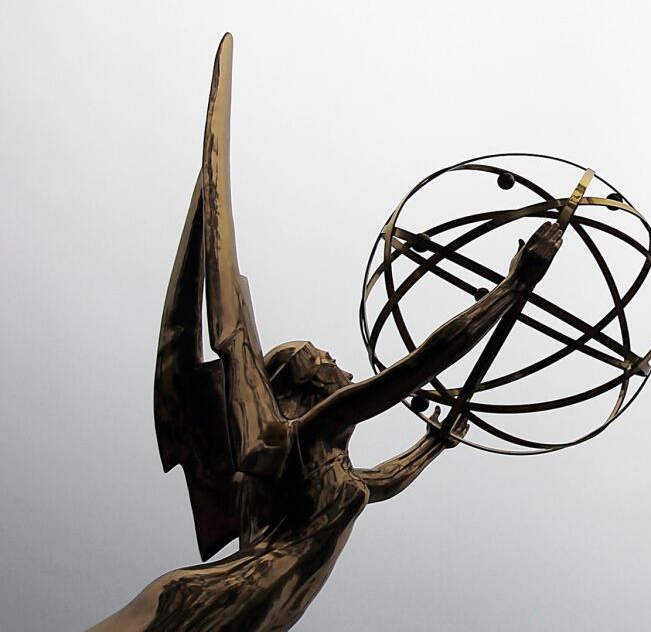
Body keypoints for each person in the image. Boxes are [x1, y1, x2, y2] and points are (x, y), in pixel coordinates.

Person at [88, 34, 563, 631]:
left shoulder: (332, 469)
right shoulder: (302, 433)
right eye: (323, 359)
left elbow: (381, 482)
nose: (338, 362)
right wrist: (510, 290)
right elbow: (409, 374)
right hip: (200, 606)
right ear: (305, 386)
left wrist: (433, 444)